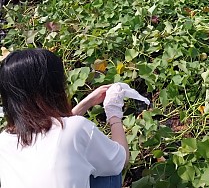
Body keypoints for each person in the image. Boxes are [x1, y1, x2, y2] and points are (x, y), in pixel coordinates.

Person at [0, 48, 129, 188]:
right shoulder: (76, 129)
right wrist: (113, 112)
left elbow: (52, 132)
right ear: (54, 86)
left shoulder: (4, 141)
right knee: (107, 166)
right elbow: (120, 161)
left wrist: (87, 103)